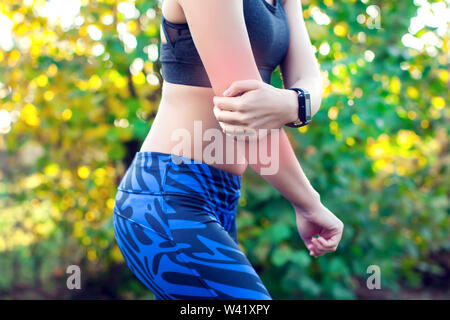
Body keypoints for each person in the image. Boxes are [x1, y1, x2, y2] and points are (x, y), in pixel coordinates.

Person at [112, 0, 343, 300]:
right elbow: (244, 116)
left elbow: (309, 81)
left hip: (222, 197)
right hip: (167, 196)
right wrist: (309, 203)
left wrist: (294, 102)